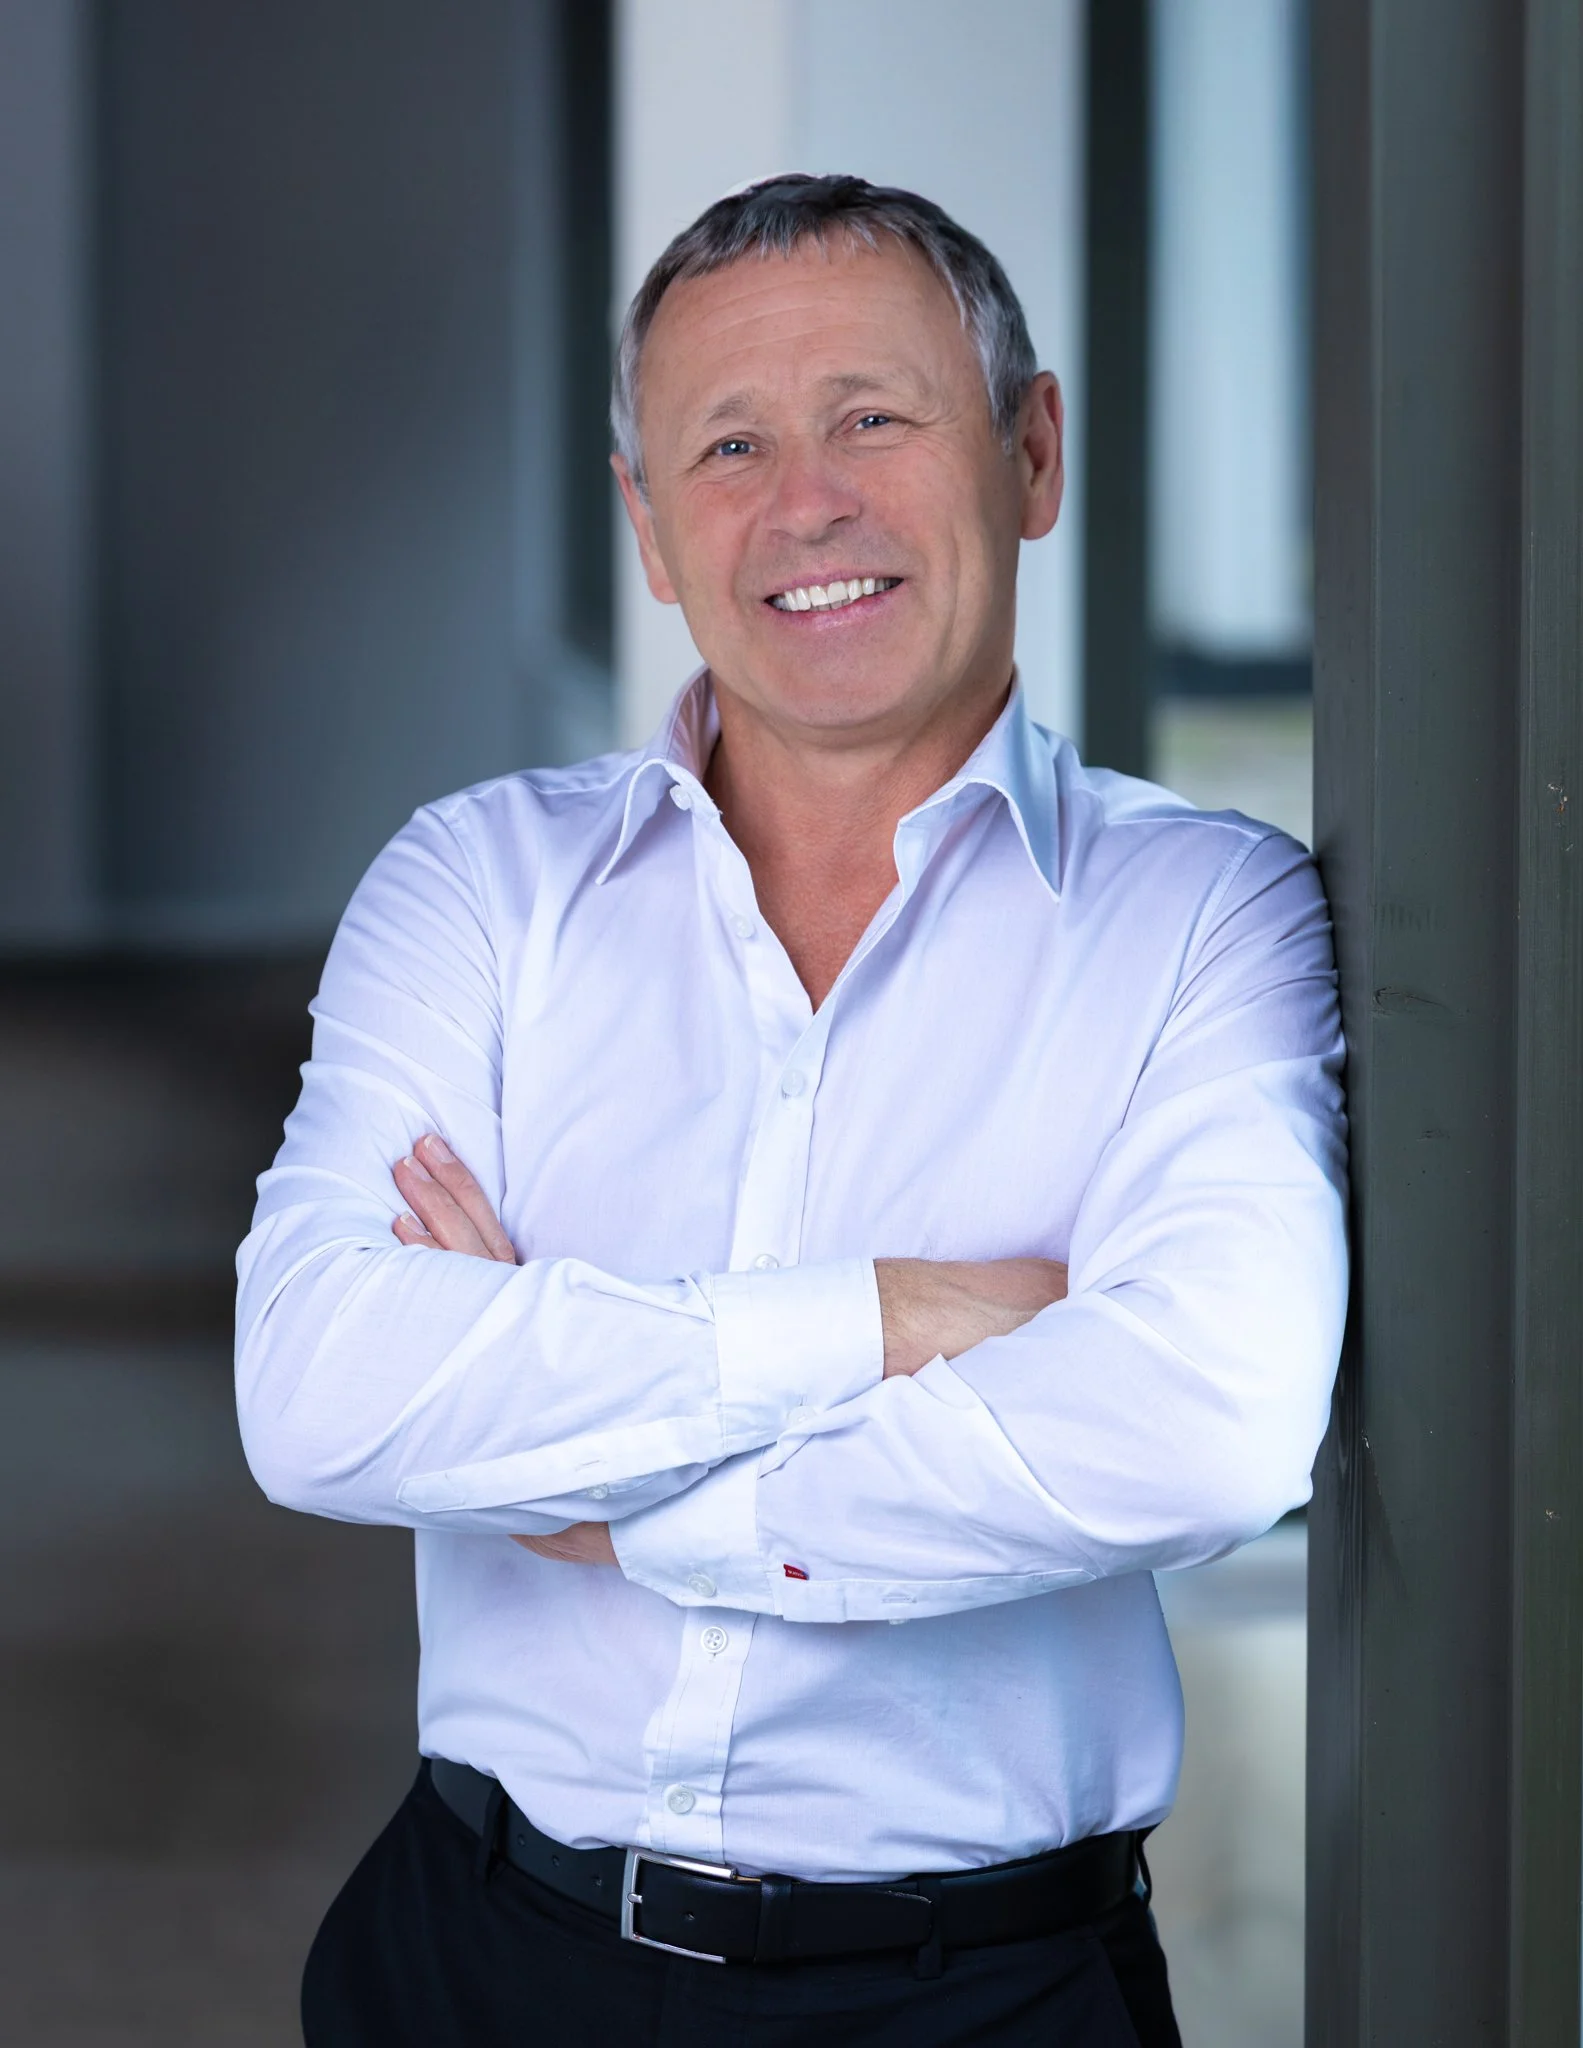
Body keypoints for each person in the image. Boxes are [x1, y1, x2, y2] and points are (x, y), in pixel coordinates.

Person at [237, 174, 1347, 2047]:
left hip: (977, 1999)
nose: (806, 501)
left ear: (1030, 453)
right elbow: (318, 1387)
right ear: (649, 527)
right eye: (730, 444)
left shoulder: (1203, 915)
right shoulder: (479, 885)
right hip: (471, 1955)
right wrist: (890, 1319)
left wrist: (610, 1492)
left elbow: (1199, 1429)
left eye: (872, 417)